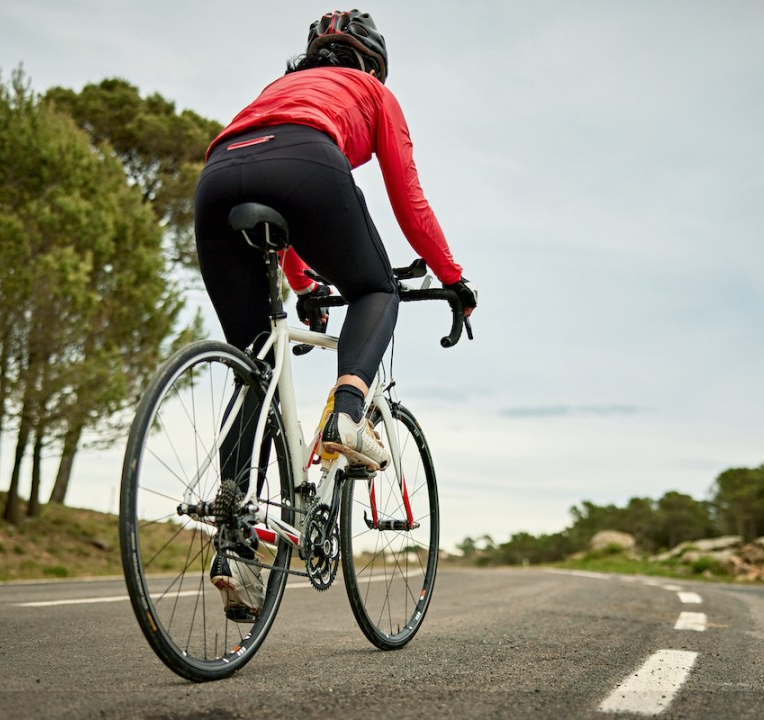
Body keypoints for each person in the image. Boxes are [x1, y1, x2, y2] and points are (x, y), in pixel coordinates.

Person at [194, 9, 476, 621]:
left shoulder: (274, 90)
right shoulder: (374, 92)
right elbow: (409, 198)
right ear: (372, 62)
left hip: (216, 178)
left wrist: (304, 286)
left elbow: (277, 204)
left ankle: (234, 538)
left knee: (254, 366)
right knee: (377, 291)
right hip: (307, 162)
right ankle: (348, 415)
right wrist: (452, 277)